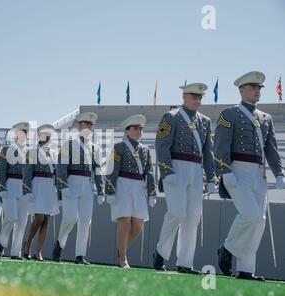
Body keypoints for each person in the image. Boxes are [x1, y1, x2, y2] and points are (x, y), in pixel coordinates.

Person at [215, 71, 285, 281]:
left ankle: (246, 269)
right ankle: (227, 249)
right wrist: (225, 172)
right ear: (241, 90)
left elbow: (271, 148)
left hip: (258, 173)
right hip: (237, 169)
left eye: (259, 88)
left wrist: (279, 172)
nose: (257, 91)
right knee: (251, 215)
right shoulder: (230, 114)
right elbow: (220, 145)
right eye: (253, 87)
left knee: (260, 221)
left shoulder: (266, 118)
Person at [153, 83, 216, 274]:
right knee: (176, 213)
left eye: (200, 97)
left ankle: (185, 263)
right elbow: (161, 145)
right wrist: (167, 171)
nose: (197, 100)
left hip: (196, 170)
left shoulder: (205, 121)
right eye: (193, 96)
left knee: (193, 217)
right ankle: (161, 254)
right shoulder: (170, 117)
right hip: (176, 168)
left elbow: (208, 151)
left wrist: (211, 177)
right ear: (184, 97)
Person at [53, 112, 105, 265]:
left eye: (91, 125)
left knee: (85, 221)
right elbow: (61, 167)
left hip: (87, 185)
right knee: (70, 218)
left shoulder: (95, 148)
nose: (88, 126)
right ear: (79, 126)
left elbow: (98, 170)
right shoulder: (68, 144)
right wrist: (62, 185)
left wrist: (101, 190)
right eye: (85, 123)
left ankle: (80, 255)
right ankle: (60, 243)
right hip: (72, 182)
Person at [105, 114, 156, 268]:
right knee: (125, 222)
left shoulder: (146, 150)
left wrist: (152, 192)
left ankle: (122, 250)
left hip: (139, 186)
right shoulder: (118, 147)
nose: (138, 131)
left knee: (138, 224)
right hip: (123, 185)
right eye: (135, 128)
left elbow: (150, 172)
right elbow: (112, 170)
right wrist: (110, 191)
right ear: (127, 131)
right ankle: (123, 259)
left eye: (140, 129)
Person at [23, 124, 60, 261]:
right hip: (37, 185)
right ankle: (27, 244)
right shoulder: (32, 152)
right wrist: (28, 190)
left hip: (49, 186)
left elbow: (57, 173)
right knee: (39, 218)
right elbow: (27, 172)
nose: (48, 137)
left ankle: (38, 252)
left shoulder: (54, 153)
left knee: (46, 221)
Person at [0, 122, 30, 260]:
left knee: (22, 222)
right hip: (10, 185)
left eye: (25, 133)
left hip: (24, 187)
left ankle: (16, 252)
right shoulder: (6, 150)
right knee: (11, 217)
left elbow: (30, 173)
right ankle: (2, 243)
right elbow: (1, 170)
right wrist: (1, 188)